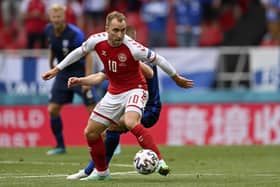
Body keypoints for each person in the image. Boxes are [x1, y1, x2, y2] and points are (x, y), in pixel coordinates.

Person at [42, 11, 194, 180]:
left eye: (123, 31)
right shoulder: (97, 42)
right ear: (107, 29)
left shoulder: (134, 50)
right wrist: (61, 71)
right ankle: (101, 172)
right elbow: (82, 56)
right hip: (115, 93)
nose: (120, 35)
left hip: (139, 94)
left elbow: (155, 64)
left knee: (126, 123)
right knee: (91, 132)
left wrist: (176, 78)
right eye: (116, 30)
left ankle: (159, 161)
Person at [65, 25, 173, 180]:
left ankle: (94, 171)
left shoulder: (141, 56)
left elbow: (149, 73)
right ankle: (96, 171)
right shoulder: (117, 58)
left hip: (150, 108)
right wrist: (82, 80)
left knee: (112, 126)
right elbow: (102, 76)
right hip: (129, 104)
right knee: (107, 129)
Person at [44, 4, 98, 155]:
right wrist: (51, 65)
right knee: (52, 109)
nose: (56, 20)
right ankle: (60, 146)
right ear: (50, 18)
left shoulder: (75, 34)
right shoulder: (48, 30)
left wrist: (87, 79)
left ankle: (110, 139)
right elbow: (52, 47)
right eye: (54, 17)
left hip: (79, 72)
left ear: (64, 17)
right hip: (62, 73)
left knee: (93, 110)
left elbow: (88, 54)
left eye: (59, 17)